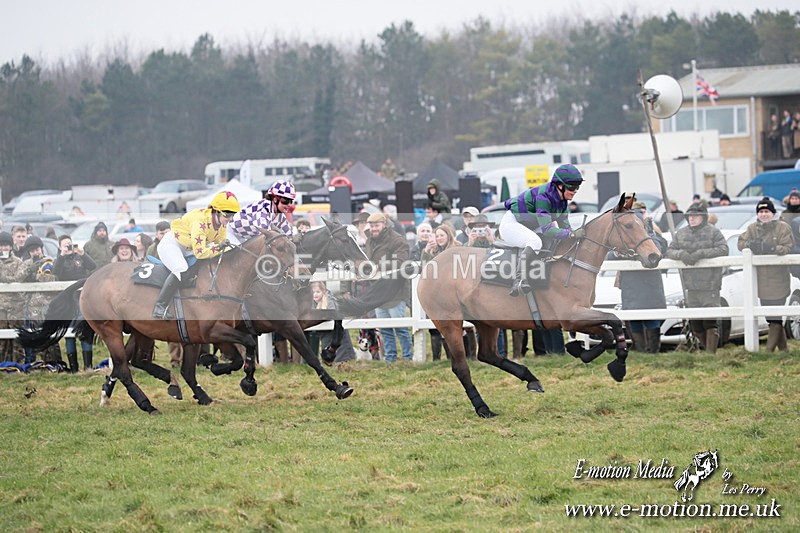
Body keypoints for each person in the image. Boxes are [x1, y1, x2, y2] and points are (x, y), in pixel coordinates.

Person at [499, 163, 585, 296]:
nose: (575, 191)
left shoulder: (563, 203)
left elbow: (566, 228)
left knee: (554, 240)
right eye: (572, 187)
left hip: (530, 225)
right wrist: (572, 235)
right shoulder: (543, 197)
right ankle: (519, 280)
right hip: (511, 223)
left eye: (577, 187)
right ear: (559, 185)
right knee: (535, 242)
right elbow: (548, 230)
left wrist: (576, 236)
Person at [153, 191, 240, 319]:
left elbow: (221, 246)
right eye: (227, 215)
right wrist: (218, 248)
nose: (230, 219)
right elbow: (200, 253)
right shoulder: (200, 222)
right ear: (216, 211)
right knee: (181, 268)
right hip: (172, 244)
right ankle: (160, 306)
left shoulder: (221, 225)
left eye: (232, 215)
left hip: (189, 247)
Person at [666, 202, 728, 353]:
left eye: (695, 216)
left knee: (710, 321)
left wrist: (701, 254)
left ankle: (710, 354)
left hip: (710, 284)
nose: (692, 219)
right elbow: (670, 251)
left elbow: (723, 249)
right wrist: (681, 254)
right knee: (695, 323)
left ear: (703, 217)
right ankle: (706, 350)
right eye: (689, 216)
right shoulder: (681, 234)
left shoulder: (713, 232)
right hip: (690, 285)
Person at [737, 197, 794, 352]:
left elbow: (787, 247)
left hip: (779, 279)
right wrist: (750, 244)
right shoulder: (752, 228)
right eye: (761, 211)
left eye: (766, 211)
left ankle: (768, 351)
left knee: (775, 317)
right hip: (761, 280)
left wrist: (771, 248)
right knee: (771, 318)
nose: (764, 214)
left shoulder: (782, 227)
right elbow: (740, 243)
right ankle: (784, 351)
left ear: (772, 213)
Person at [615, 202, 668, 353]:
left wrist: (649, 230)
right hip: (631, 283)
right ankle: (641, 352)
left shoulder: (653, 233)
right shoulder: (625, 232)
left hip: (650, 283)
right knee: (634, 319)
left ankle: (652, 352)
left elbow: (658, 249)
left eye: (642, 211)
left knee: (652, 318)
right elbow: (613, 253)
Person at [365, 212, 412, 362]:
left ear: (384, 224)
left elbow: (402, 262)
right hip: (378, 291)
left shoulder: (397, 240)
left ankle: (407, 358)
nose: (373, 228)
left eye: (376, 225)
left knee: (400, 327)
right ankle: (390, 358)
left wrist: (379, 266)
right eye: (371, 226)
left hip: (395, 290)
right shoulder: (369, 240)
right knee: (384, 328)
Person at [53, 234, 97, 371]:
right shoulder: (59, 260)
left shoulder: (79, 257)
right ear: (60, 247)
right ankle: (73, 368)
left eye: (70, 244)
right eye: (65, 245)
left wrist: (83, 254)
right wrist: (62, 256)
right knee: (69, 333)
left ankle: (88, 366)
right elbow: (56, 272)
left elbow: (92, 266)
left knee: (84, 329)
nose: (68, 247)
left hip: (81, 298)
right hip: (67, 301)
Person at [0, 231, 32, 363]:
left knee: (16, 338)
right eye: (2, 245)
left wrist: (3, 277)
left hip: (16, 306)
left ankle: (17, 364)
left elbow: (18, 278)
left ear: (11, 246)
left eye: (6, 245)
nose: (4, 248)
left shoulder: (18, 262)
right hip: (1, 307)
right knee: (2, 339)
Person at [229, 179, 294, 242]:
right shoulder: (263, 208)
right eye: (286, 201)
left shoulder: (280, 216)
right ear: (275, 199)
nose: (289, 204)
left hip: (244, 237)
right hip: (231, 232)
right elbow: (265, 235)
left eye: (291, 201)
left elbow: (289, 237)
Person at [311, 281, 355, 363]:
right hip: (325, 335)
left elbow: (333, 314)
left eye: (318, 292)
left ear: (323, 291)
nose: (315, 294)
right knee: (329, 359)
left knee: (343, 358)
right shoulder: (312, 303)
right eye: (313, 292)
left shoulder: (330, 301)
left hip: (336, 333)